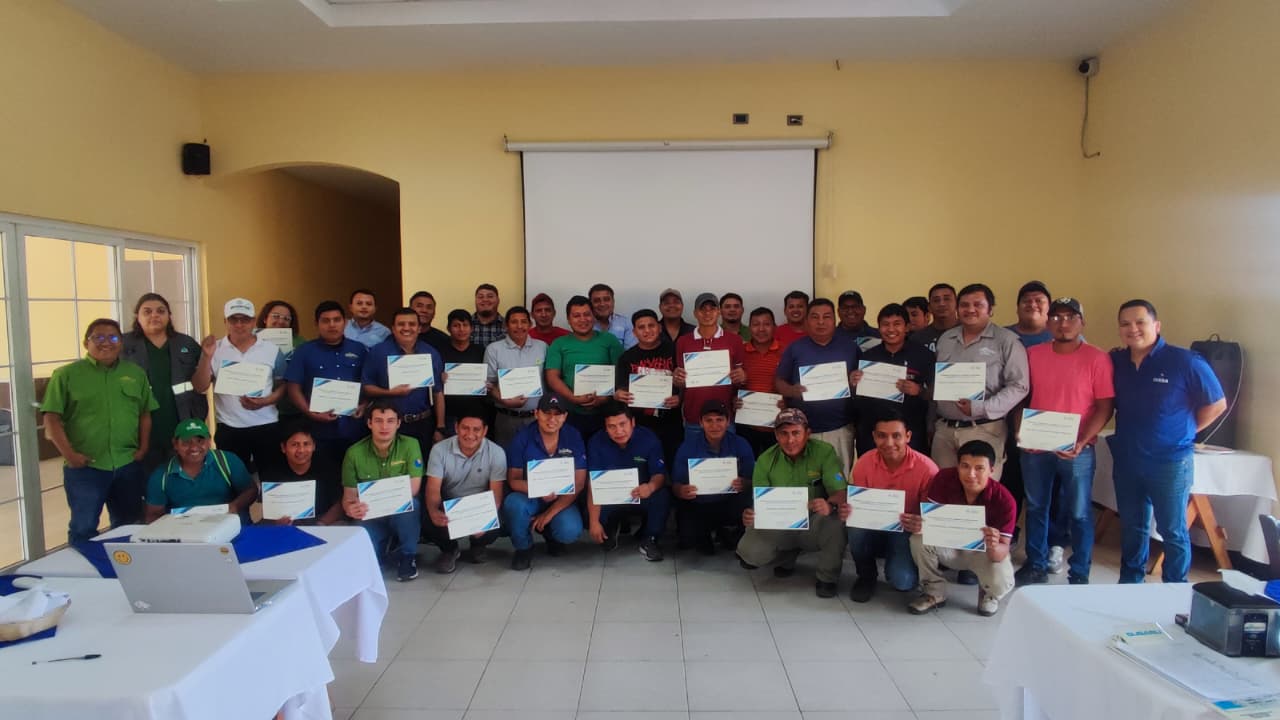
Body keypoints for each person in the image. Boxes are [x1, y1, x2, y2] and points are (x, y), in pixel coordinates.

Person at [1110, 299, 1225, 584]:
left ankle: (1175, 589)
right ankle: (1129, 584)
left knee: (1172, 530)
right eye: (1125, 324)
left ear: (1157, 326)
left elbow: (1217, 403)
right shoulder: (1116, 362)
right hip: (1128, 458)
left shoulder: (1185, 361)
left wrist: (1186, 430)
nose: (1133, 329)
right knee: (1132, 527)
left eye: (1140, 322)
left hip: (1170, 461)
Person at [1014, 297, 1114, 586]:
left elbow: (1105, 406)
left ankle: (1079, 572)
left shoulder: (1097, 358)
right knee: (1036, 507)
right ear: (1048, 323)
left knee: (1079, 512)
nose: (1063, 323)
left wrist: (1082, 441)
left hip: (1077, 449)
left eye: (1071, 317)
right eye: (1056, 317)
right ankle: (1035, 563)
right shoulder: (1033, 354)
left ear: (1082, 322)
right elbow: (1021, 397)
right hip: (1035, 446)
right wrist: (1020, 430)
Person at [42, 318, 156, 544]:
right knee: (83, 527)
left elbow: (145, 413)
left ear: (121, 342)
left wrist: (143, 448)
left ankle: (122, 566)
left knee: (129, 525)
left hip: (127, 463)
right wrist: (70, 455)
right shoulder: (66, 375)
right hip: (86, 467)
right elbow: (51, 419)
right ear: (86, 343)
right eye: (99, 337)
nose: (106, 343)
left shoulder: (135, 373)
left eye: (113, 337)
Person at [736, 408, 848, 598]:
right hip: (780, 522)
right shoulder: (765, 460)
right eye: (784, 433)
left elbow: (840, 492)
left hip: (813, 521)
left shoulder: (824, 452)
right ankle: (787, 556)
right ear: (776, 435)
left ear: (807, 433)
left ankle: (827, 577)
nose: (790, 440)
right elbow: (760, 502)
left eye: (796, 433)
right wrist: (751, 515)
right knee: (750, 554)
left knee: (837, 521)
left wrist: (829, 505)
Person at [902, 440, 1016, 617]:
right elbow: (928, 523)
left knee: (1000, 577)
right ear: (958, 466)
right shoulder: (944, 479)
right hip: (948, 545)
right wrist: (920, 524)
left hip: (981, 553)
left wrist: (993, 545)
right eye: (965, 466)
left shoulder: (1005, 500)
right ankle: (934, 592)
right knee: (918, 539)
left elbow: (1001, 552)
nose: (971, 474)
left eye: (979, 468)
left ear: (991, 470)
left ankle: (988, 593)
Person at [932, 283, 1029, 480]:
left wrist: (981, 408)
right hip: (945, 431)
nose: (970, 309)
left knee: (981, 491)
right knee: (945, 489)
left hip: (985, 429)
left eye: (978, 304)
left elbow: (1019, 386)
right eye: (964, 305)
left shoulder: (1007, 341)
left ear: (990, 309)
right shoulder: (945, 339)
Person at [843, 410, 939, 602]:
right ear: (873, 437)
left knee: (904, 582)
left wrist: (921, 522)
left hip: (904, 530)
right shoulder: (864, 463)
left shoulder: (928, 469)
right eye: (882, 436)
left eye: (896, 436)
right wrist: (849, 510)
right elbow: (858, 505)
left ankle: (896, 559)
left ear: (908, 436)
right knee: (853, 525)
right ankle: (866, 574)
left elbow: (931, 517)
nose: (889, 443)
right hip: (872, 525)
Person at [195, 298, 287, 474]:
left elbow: (283, 386)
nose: (239, 324)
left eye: (245, 319)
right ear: (225, 321)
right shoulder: (215, 349)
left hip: (266, 426)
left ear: (253, 321)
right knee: (233, 483)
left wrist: (266, 401)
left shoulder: (272, 350)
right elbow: (200, 386)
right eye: (233, 319)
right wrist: (206, 357)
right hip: (229, 428)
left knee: (272, 480)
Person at [121, 292, 205, 473]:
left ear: (169, 316)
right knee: (145, 479)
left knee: (181, 476)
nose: (154, 315)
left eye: (160, 311)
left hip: (182, 420)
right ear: (137, 316)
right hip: (139, 426)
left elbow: (202, 382)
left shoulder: (186, 343)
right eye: (147, 311)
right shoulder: (123, 345)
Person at [501, 394, 587, 570]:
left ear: (565, 416)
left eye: (557, 414)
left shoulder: (573, 436)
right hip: (530, 496)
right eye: (547, 413)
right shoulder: (522, 438)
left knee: (569, 530)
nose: (552, 419)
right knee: (514, 504)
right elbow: (513, 480)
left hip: (562, 498)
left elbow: (579, 483)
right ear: (536, 413)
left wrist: (548, 514)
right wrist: (538, 489)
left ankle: (550, 534)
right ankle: (523, 548)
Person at [341, 400, 425, 582]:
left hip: (400, 511)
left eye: (390, 421)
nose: (384, 427)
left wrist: (385, 501)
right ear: (369, 423)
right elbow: (349, 496)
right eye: (378, 421)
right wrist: (351, 508)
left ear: (398, 423)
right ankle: (385, 546)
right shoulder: (354, 453)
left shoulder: (411, 445)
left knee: (412, 504)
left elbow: (413, 488)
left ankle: (408, 556)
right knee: (368, 561)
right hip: (371, 515)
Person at [775, 298, 859, 470]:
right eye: (815, 317)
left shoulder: (850, 348)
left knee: (838, 477)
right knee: (804, 479)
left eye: (826, 317)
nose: (821, 322)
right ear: (807, 321)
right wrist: (791, 391)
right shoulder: (794, 348)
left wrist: (855, 381)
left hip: (840, 428)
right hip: (802, 430)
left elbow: (861, 383)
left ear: (834, 320)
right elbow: (779, 381)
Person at [285, 300, 369, 469]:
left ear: (345, 322)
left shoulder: (360, 350)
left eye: (336, 320)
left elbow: (369, 383)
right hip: (317, 432)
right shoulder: (304, 351)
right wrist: (310, 412)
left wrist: (364, 405)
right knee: (324, 477)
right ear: (317, 324)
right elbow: (293, 388)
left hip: (354, 429)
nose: (332, 325)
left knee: (355, 476)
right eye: (325, 320)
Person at [586, 402, 670, 561]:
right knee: (591, 511)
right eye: (611, 426)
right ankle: (611, 527)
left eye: (622, 424)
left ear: (632, 422)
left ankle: (650, 539)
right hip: (610, 496)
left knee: (662, 496)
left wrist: (650, 487)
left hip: (641, 493)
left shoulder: (648, 439)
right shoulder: (596, 442)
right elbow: (593, 483)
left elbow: (659, 474)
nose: (618, 431)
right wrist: (594, 522)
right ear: (605, 428)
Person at [423, 412, 506, 573]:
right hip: (449, 504)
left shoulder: (496, 452)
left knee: (499, 518)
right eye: (465, 428)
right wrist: (433, 512)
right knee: (427, 517)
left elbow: (496, 495)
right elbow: (433, 489)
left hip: (480, 506)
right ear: (456, 427)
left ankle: (478, 545)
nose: (470, 434)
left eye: (476, 429)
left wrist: (485, 521)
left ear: (485, 431)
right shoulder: (439, 450)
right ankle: (449, 549)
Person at [671, 400, 754, 555]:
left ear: (728, 422)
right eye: (709, 420)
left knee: (748, 499)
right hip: (699, 503)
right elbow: (676, 485)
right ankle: (707, 532)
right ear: (701, 423)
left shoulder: (740, 444)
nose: (714, 425)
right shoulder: (688, 446)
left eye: (719, 420)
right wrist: (682, 490)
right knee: (687, 539)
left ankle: (725, 529)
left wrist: (744, 483)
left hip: (728, 502)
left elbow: (753, 481)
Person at [851, 303, 934, 458]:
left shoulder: (924, 355)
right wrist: (854, 383)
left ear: (907, 327)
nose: (890, 329)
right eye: (885, 324)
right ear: (879, 328)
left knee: (911, 472)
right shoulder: (868, 357)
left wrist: (919, 391)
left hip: (912, 432)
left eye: (897, 324)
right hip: (873, 432)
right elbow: (859, 397)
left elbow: (935, 393)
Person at [362, 307, 446, 452]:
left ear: (419, 328)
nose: (406, 328)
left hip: (423, 424)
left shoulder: (431, 353)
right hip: (389, 426)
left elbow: (438, 392)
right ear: (393, 329)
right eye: (401, 324)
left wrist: (440, 427)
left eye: (412, 324)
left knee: (421, 464)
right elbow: (367, 387)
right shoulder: (378, 352)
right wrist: (391, 392)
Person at [143, 418, 256, 522]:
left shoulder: (227, 460)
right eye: (186, 442)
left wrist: (234, 506)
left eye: (200, 441)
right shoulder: (161, 476)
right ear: (175, 444)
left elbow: (251, 490)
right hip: (184, 531)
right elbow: (153, 515)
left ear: (209, 441)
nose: (194, 447)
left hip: (231, 525)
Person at [544, 295, 624, 439]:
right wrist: (573, 398)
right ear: (568, 319)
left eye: (587, 314)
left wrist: (604, 398)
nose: (583, 319)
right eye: (576, 316)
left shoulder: (609, 340)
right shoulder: (559, 343)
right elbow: (552, 377)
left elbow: (621, 372)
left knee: (602, 451)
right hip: (569, 413)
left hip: (606, 414)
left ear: (593, 316)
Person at [675, 293, 747, 441]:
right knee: (694, 456)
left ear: (718, 312)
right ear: (695, 313)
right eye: (702, 309)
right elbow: (681, 381)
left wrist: (742, 377)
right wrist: (677, 379)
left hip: (724, 417)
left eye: (712, 309)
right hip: (694, 417)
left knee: (727, 455)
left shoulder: (734, 340)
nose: (707, 313)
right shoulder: (683, 341)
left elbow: (740, 379)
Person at [614, 309, 681, 466]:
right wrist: (618, 394)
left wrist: (680, 397)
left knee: (672, 463)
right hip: (640, 424)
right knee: (644, 466)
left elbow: (687, 382)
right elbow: (619, 389)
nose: (647, 330)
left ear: (659, 327)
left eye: (651, 325)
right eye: (641, 327)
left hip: (671, 421)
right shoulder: (626, 358)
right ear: (634, 332)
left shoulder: (675, 351)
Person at [485, 305, 547, 447]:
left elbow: (548, 379)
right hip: (506, 418)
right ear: (506, 326)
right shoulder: (494, 349)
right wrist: (505, 401)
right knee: (506, 457)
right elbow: (488, 384)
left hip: (537, 418)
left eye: (524, 322)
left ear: (530, 324)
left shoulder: (542, 347)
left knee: (535, 456)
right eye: (514, 322)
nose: (519, 326)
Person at [261, 422, 346, 526]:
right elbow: (269, 509)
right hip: (285, 522)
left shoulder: (327, 466)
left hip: (322, 519)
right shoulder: (272, 471)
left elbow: (339, 503)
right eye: (294, 445)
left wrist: (321, 524)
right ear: (283, 447)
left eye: (306, 444)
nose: (301, 450)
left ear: (314, 446)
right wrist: (277, 521)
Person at [737, 306, 786, 456]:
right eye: (756, 324)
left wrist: (788, 402)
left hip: (778, 424)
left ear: (774, 327)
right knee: (748, 466)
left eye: (766, 324)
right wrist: (734, 400)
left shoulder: (786, 352)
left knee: (777, 466)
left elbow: (793, 384)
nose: (761, 329)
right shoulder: (740, 352)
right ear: (749, 328)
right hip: (747, 426)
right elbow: (731, 385)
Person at [439, 308, 491, 430]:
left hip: (477, 413)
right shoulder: (440, 351)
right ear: (448, 329)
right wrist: (439, 378)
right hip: (449, 414)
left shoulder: (481, 351)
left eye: (465, 325)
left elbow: (489, 377)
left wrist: (488, 384)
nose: (461, 329)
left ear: (471, 328)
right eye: (456, 325)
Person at [909, 283, 959, 353]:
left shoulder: (968, 331)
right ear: (929, 307)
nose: (942, 304)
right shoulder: (917, 339)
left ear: (957, 303)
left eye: (947, 299)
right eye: (936, 300)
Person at [589, 283, 637, 349]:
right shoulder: (585, 325)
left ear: (613, 301)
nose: (602, 304)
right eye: (597, 301)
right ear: (590, 304)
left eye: (606, 299)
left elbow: (631, 351)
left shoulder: (626, 323)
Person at [470, 283, 505, 348]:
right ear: (475, 301)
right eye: (480, 297)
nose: (485, 299)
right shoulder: (464, 326)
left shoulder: (508, 326)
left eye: (490, 296)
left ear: (498, 300)